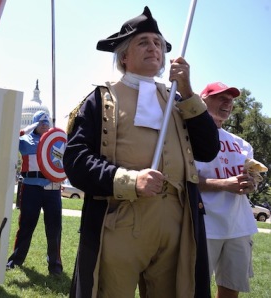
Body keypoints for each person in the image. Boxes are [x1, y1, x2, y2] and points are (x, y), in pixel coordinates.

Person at [63, 6, 220, 298]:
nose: (154, 48)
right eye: (144, 42)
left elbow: (209, 149)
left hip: (176, 226)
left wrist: (188, 92)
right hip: (121, 221)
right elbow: (76, 161)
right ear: (124, 56)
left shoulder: (178, 100)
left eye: (158, 43)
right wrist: (130, 181)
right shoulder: (100, 99)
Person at [196, 82, 258, 298]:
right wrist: (223, 184)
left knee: (231, 289)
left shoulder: (242, 144)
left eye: (231, 99)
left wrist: (251, 184)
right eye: (221, 97)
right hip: (204, 226)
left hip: (239, 226)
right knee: (195, 289)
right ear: (203, 99)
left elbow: (251, 179)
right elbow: (183, 179)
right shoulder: (190, 137)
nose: (228, 103)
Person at [6, 110, 63, 276]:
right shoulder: (24, 141)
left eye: (47, 122)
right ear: (35, 124)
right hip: (31, 187)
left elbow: (64, 161)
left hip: (52, 188)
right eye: (41, 122)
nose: (45, 125)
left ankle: (55, 265)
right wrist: (25, 130)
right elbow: (9, 139)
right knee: (26, 225)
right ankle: (15, 260)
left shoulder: (56, 143)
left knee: (54, 228)